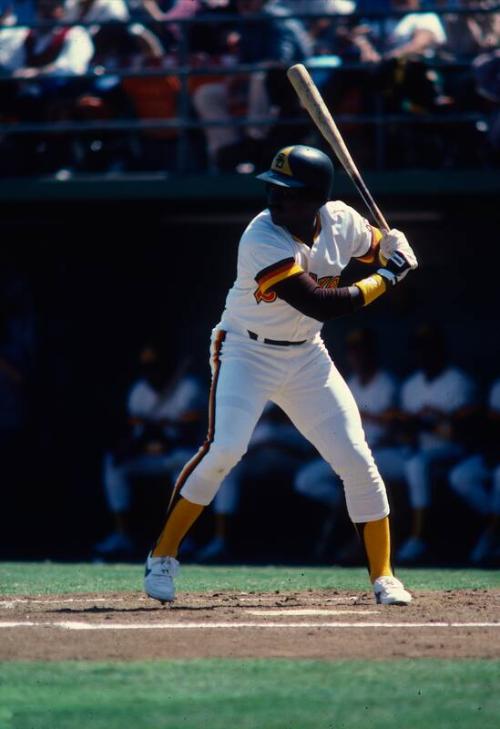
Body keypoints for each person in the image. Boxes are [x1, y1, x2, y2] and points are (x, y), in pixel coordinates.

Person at [144, 144, 418, 605]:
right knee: (226, 448)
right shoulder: (261, 237)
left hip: (307, 356)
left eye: (287, 193)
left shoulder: (340, 220)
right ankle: (162, 554)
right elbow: (321, 303)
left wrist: (391, 248)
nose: (275, 199)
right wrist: (389, 276)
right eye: (272, 189)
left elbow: (373, 249)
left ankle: (384, 577)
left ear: (314, 198)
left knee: (356, 457)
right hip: (245, 351)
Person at [293, 327, 399, 560]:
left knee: (361, 475)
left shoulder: (386, 383)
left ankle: (355, 536)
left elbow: (396, 424)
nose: (356, 356)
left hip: (383, 451)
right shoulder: (348, 383)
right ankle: (345, 510)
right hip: (350, 452)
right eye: (353, 351)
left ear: (371, 352)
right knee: (306, 480)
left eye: (361, 350)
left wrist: (368, 417)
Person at [94, 344, 206, 557]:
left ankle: (183, 538)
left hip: (179, 453)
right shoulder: (139, 390)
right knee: (113, 464)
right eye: (147, 367)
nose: (152, 372)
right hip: (149, 454)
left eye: (156, 366)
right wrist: (149, 434)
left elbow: (189, 432)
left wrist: (158, 429)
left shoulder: (188, 387)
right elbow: (136, 432)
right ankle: (122, 534)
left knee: (184, 468)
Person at [395, 324, 477, 562]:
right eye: (419, 349)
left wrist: (431, 419)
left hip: (453, 452)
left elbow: (461, 433)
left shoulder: (459, 381)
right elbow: (405, 431)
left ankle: (418, 537)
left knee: (416, 465)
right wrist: (408, 425)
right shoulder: (411, 385)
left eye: (429, 349)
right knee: (377, 464)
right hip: (418, 449)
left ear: (439, 350)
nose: (423, 355)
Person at [449, 378, 500, 565]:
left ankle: (491, 535)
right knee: (461, 476)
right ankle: (493, 526)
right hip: (495, 453)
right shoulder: (497, 387)